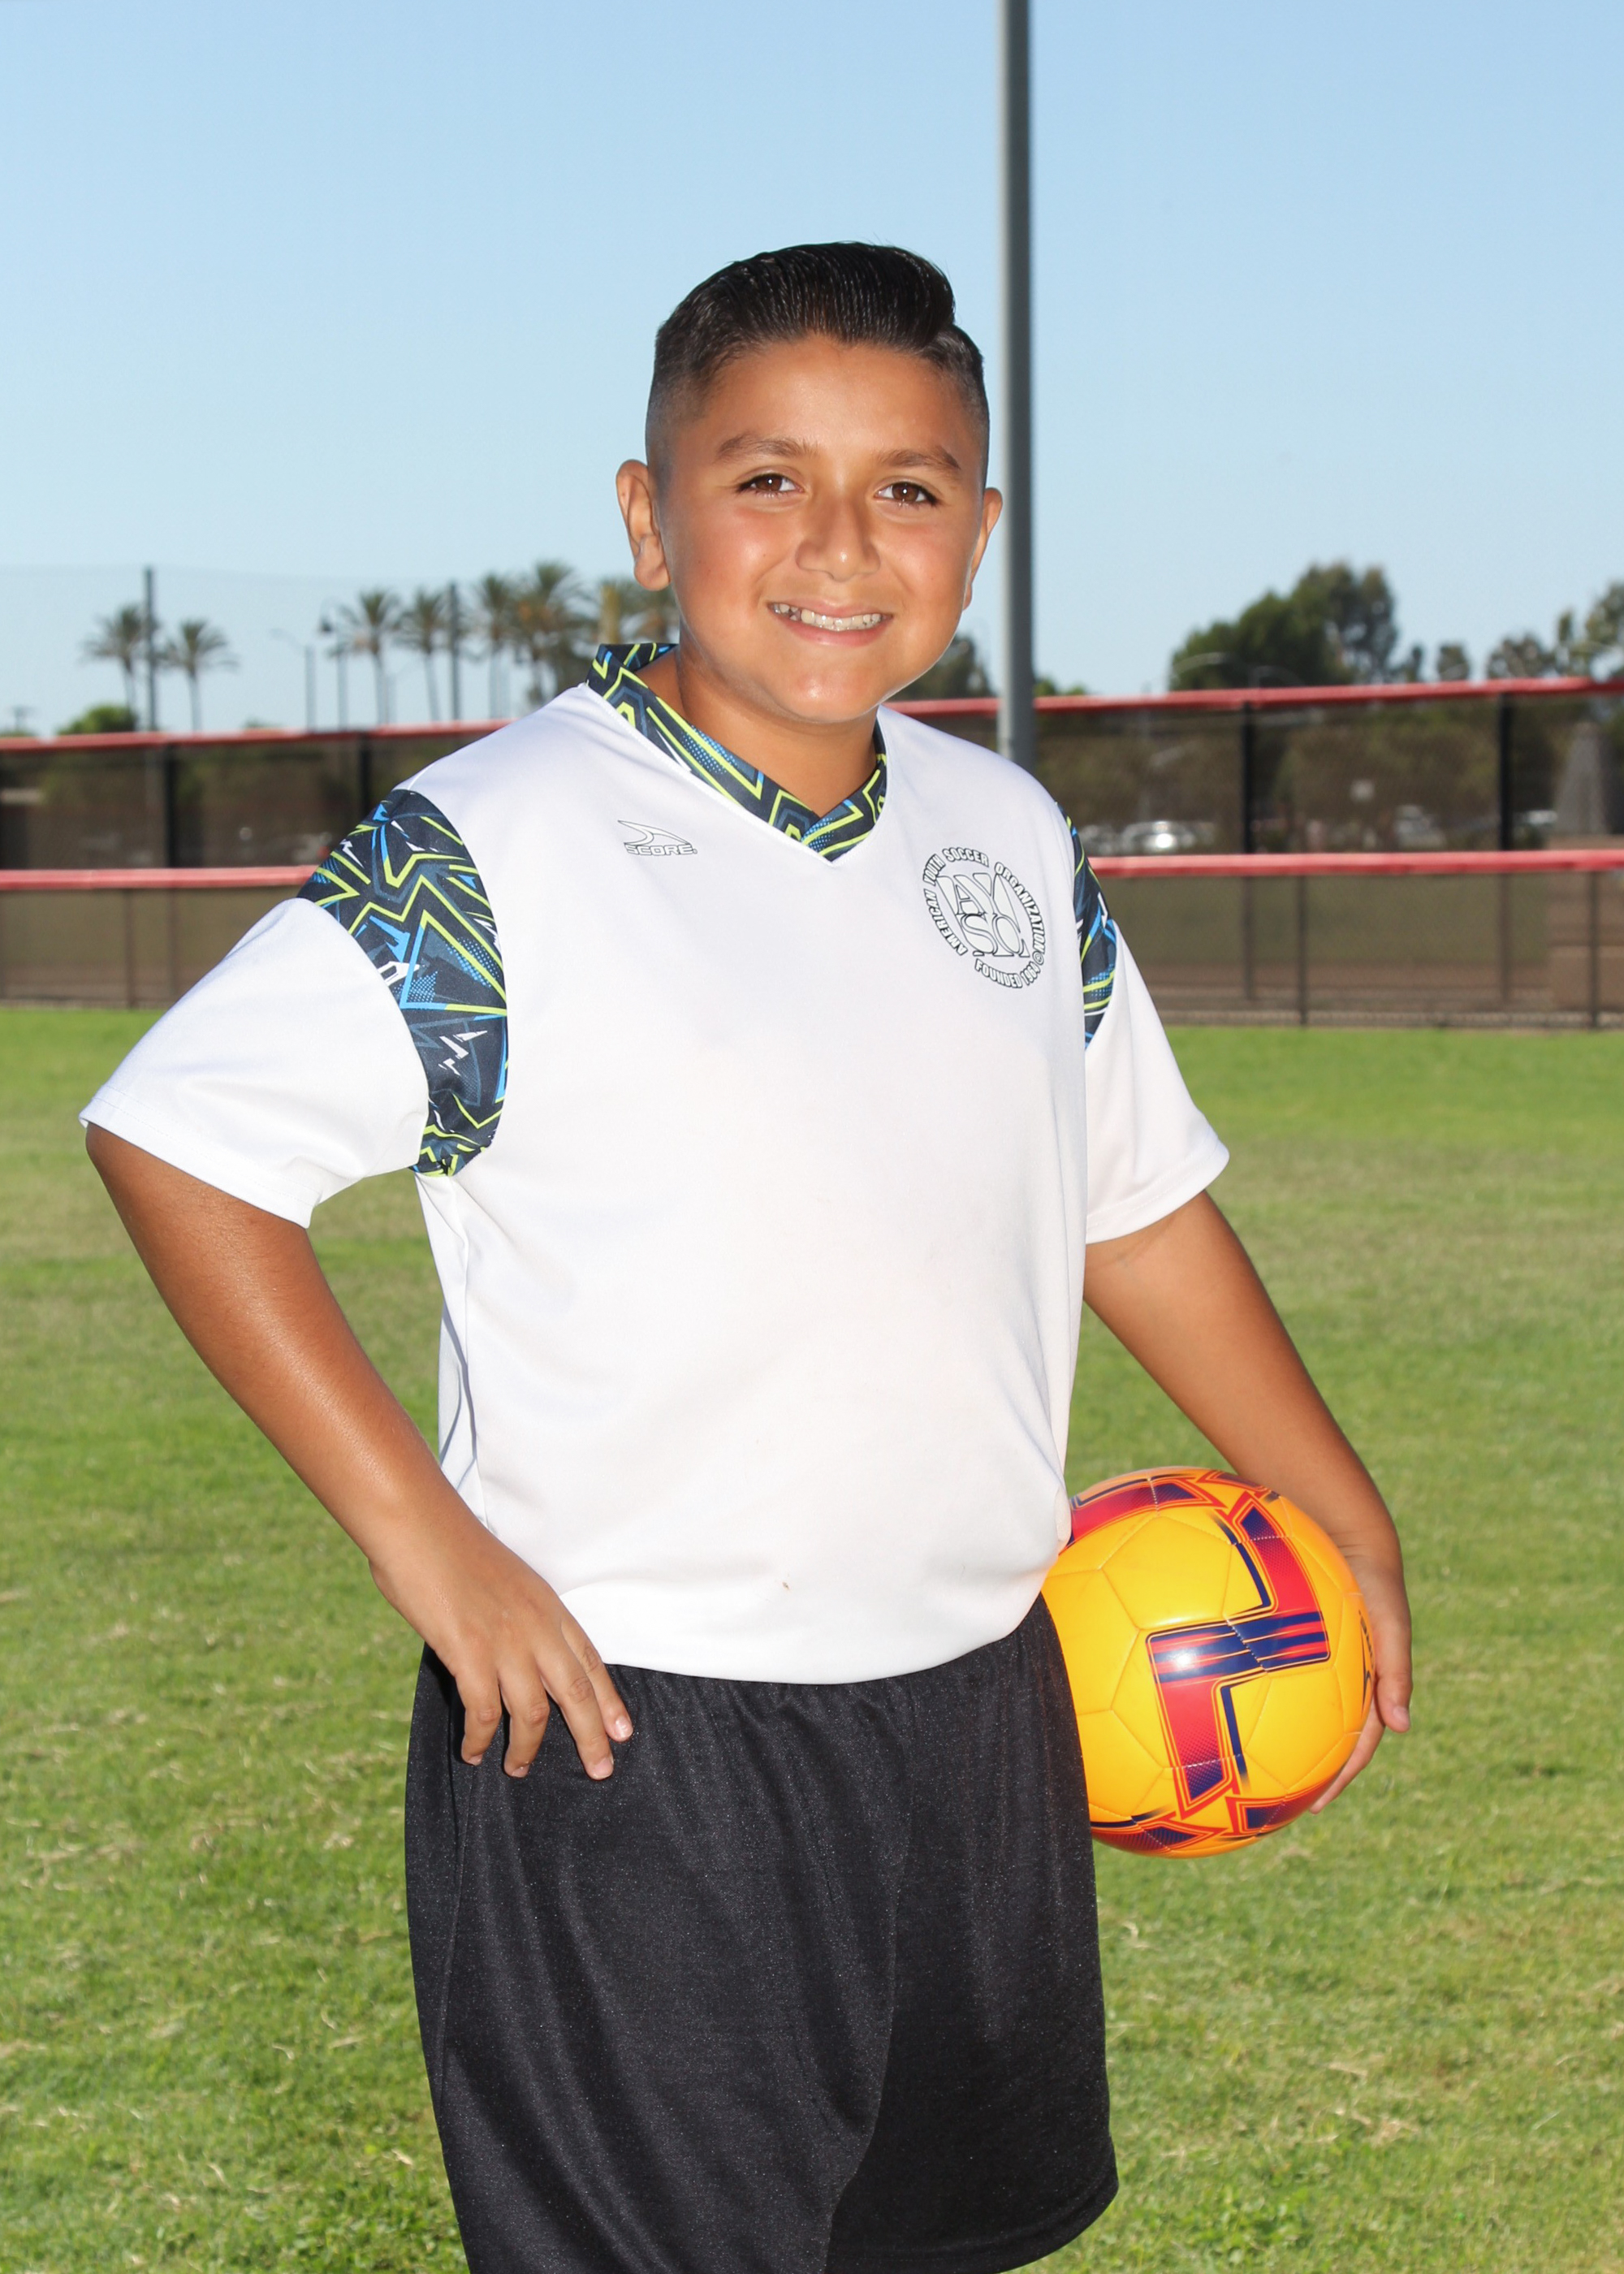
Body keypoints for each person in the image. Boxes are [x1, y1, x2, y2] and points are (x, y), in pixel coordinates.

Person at [83, 243, 1411, 2274]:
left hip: (982, 1703)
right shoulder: (495, 848)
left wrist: (1336, 1500)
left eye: (907, 486)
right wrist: (432, 1545)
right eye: (766, 477)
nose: (838, 542)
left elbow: (1129, 1198)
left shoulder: (1007, 836)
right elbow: (180, 1141)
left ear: (979, 529)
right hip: (638, 1739)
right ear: (650, 513)